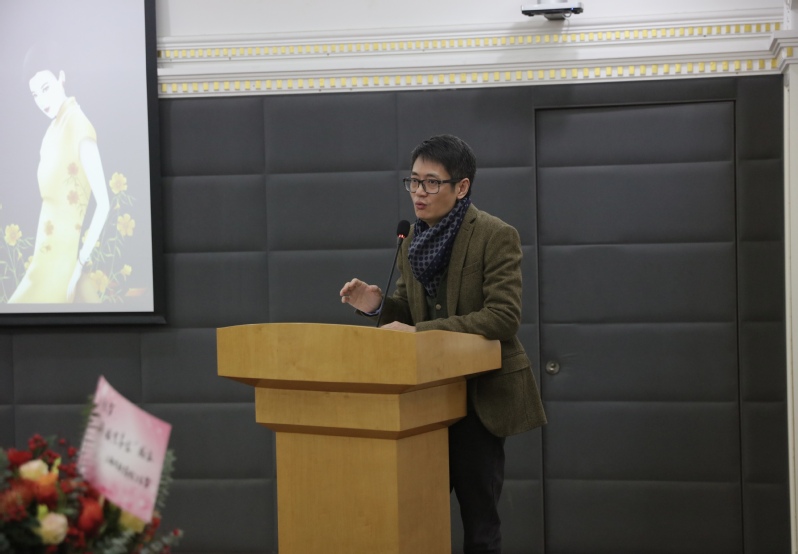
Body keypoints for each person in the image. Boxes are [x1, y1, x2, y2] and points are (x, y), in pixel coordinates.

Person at [340, 134, 546, 554]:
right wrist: (376, 304)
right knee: (417, 516)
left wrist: (423, 333)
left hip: (478, 400)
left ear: (462, 186)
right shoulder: (411, 243)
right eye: (414, 181)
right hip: (424, 401)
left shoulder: (495, 235)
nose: (419, 192)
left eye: (431, 182)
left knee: (480, 524)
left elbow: (503, 317)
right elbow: (410, 314)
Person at [8, 43, 109, 303]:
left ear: (61, 78)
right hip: (43, 262)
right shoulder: (52, 130)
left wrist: (78, 266)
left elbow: (104, 204)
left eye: (46, 88)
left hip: (61, 266)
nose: (42, 101)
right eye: (35, 94)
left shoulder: (78, 124)